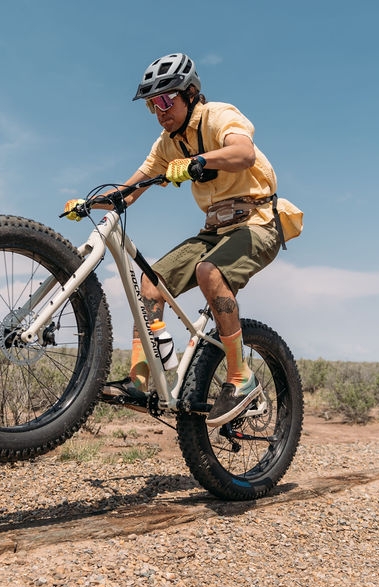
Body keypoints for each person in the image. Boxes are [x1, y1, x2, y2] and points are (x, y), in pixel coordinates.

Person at [63, 52, 303, 427]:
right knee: (151, 282)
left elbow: (243, 153)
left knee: (210, 272)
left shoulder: (219, 116)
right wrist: (91, 202)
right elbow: (131, 188)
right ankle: (141, 380)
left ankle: (241, 379)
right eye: (150, 105)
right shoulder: (167, 143)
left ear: (190, 93)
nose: (159, 111)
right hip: (215, 229)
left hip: (258, 221)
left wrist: (200, 162)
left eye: (164, 99)